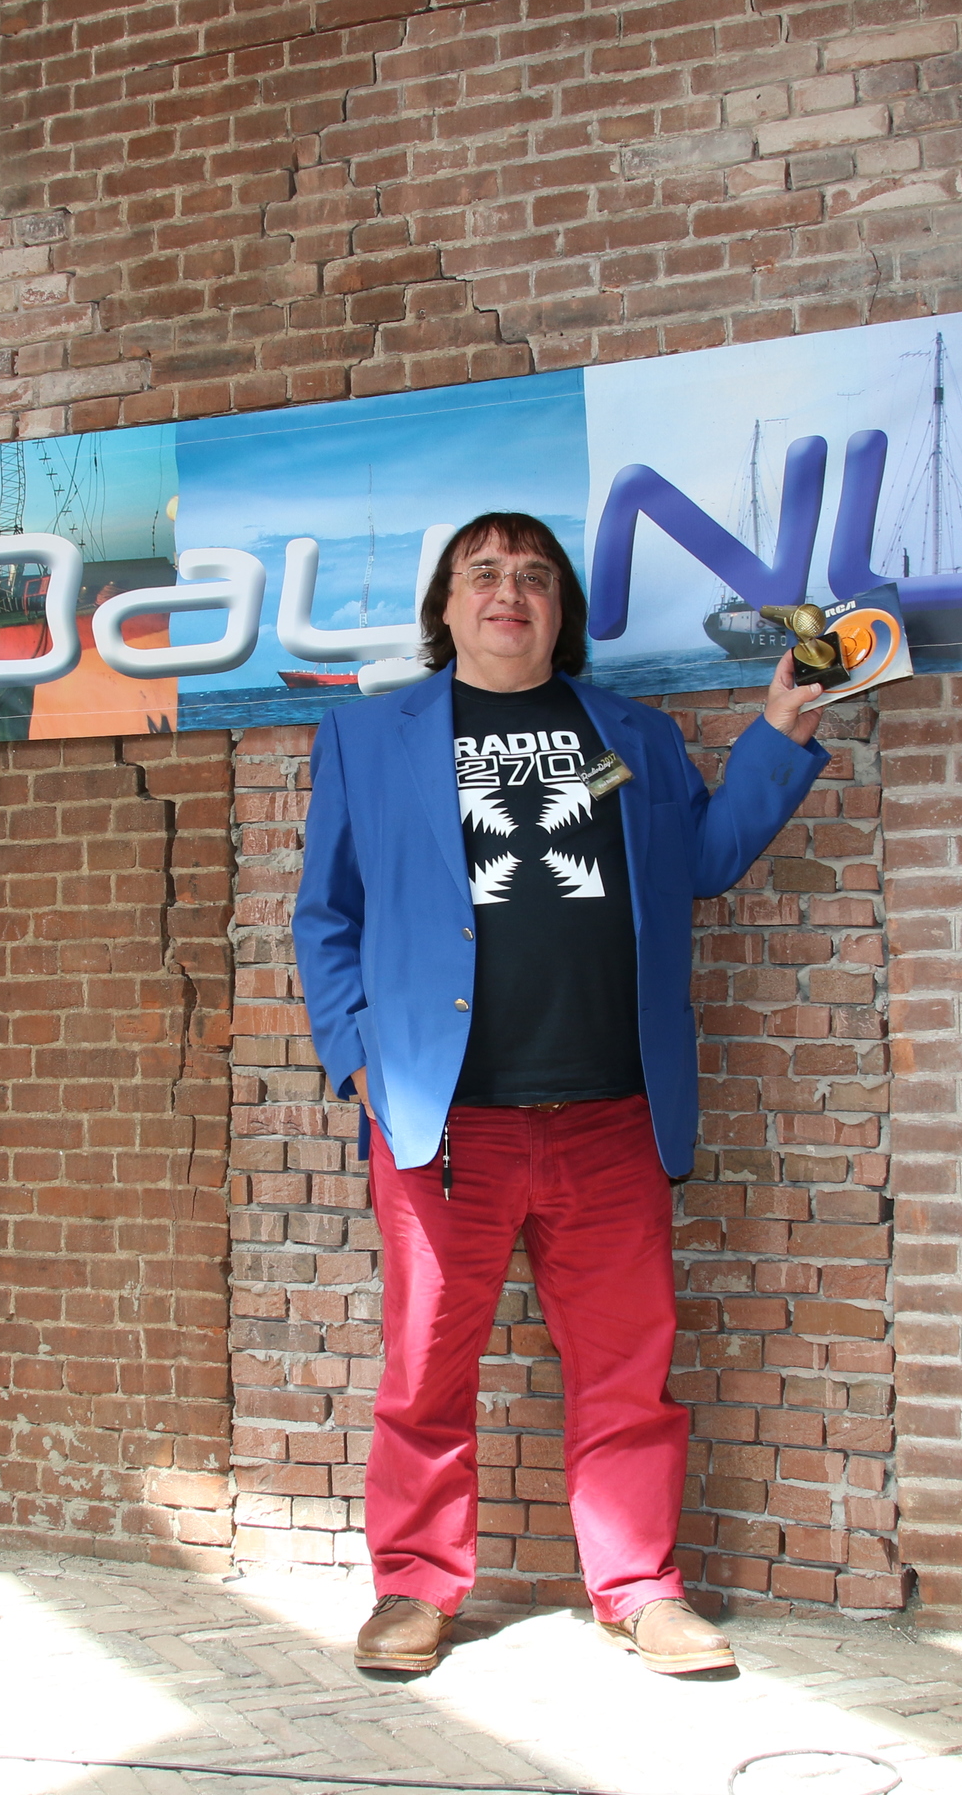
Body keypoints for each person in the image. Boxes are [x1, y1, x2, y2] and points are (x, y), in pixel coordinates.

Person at [292, 511, 832, 1676]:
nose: (510, 591)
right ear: (445, 608)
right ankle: (413, 1589)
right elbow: (327, 914)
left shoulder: (620, 736)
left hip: (610, 1117)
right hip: (445, 1124)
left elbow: (700, 860)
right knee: (426, 1372)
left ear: (560, 612)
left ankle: (641, 1591)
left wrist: (780, 733)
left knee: (628, 1375)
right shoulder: (371, 739)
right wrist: (356, 1058)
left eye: (534, 576)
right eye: (484, 573)